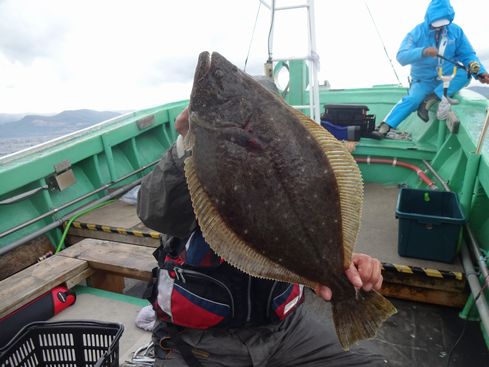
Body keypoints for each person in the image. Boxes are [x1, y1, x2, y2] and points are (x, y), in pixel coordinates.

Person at [137, 103, 388, 367]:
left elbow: (303, 240)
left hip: (285, 330)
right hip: (199, 342)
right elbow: (154, 210)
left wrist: (342, 261)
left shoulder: (292, 181)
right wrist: (185, 144)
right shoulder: (195, 171)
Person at [374, 0, 489, 138]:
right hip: (423, 81)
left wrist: (480, 72)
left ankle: (431, 99)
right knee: (412, 100)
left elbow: (468, 55)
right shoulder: (416, 33)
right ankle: (386, 125)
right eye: (436, 22)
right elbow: (401, 56)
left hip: (446, 78)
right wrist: (423, 51)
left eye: (444, 22)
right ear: (429, 18)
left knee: (465, 75)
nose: (440, 26)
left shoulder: (456, 31)